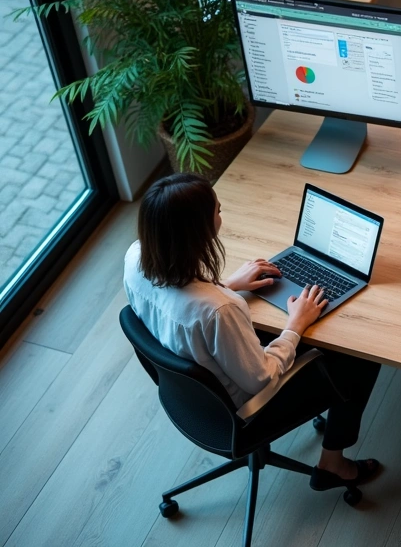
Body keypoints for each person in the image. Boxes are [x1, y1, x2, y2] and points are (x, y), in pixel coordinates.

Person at [123, 173, 382, 491]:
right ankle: (333, 465)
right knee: (358, 356)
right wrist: (296, 323)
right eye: (218, 210)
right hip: (247, 408)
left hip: (192, 399)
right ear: (199, 230)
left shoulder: (135, 258)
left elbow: (176, 304)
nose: (221, 214)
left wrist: (226, 285)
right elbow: (261, 379)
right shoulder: (219, 311)